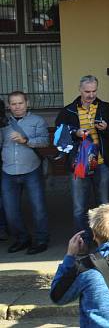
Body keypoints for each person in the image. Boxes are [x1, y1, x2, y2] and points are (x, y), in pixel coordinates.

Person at [55, 75, 109, 240]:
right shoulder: (68, 110)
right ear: (80, 89)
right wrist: (75, 133)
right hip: (79, 164)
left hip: (101, 162)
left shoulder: (105, 107)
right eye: (87, 91)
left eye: (94, 91)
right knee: (79, 207)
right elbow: (58, 135)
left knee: (104, 205)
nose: (91, 95)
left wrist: (106, 128)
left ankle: (106, 241)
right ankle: (82, 242)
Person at [1, 91, 50, 254]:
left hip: (31, 170)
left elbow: (44, 141)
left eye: (20, 103)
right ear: (8, 106)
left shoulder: (37, 120)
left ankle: (41, 240)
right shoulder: (3, 123)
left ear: (27, 103)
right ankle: (22, 239)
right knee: (10, 210)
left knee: (38, 208)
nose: (17, 107)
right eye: (13, 104)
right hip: (8, 171)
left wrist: (26, 141)